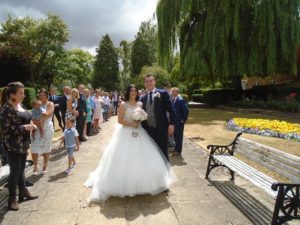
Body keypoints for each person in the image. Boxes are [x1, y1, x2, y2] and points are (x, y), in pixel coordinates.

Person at [84, 84, 174, 202]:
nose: (133, 92)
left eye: (135, 90)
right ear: (128, 92)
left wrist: (140, 119)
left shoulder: (140, 103)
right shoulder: (123, 104)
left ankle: (143, 182)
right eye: (131, 90)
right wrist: (132, 124)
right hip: (126, 133)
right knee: (125, 158)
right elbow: (120, 120)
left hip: (140, 132)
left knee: (143, 157)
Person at [0, 82, 38, 211]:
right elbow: (5, 129)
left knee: (21, 170)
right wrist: (24, 127)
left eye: (23, 92)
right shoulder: (6, 108)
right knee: (15, 172)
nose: (24, 95)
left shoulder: (20, 105)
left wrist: (31, 123)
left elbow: (25, 117)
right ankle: (12, 199)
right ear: (12, 95)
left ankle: (23, 192)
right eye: (20, 93)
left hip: (23, 143)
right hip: (13, 145)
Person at [141, 75, 176, 161]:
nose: (149, 82)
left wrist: (172, 124)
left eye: (151, 80)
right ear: (144, 84)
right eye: (147, 81)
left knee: (163, 152)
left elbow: (171, 110)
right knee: (151, 153)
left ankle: (166, 172)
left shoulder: (162, 93)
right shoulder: (143, 97)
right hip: (148, 130)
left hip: (162, 129)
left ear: (154, 82)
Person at [31, 88, 54, 175]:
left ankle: (45, 165)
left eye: (43, 95)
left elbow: (47, 115)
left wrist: (37, 116)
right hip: (36, 127)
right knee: (34, 147)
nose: (41, 97)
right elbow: (32, 116)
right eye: (40, 95)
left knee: (46, 147)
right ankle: (35, 166)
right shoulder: (37, 104)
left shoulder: (50, 104)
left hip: (47, 128)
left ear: (47, 96)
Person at [170, 87, 189, 155]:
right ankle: (176, 149)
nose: (171, 93)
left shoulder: (180, 99)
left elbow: (186, 111)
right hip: (175, 122)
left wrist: (183, 120)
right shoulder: (174, 99)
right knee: (175, 136)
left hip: (179, 122)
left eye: (172, 92)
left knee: (179, 137)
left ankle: (178, 151)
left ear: (176, 92)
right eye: (171, 92)